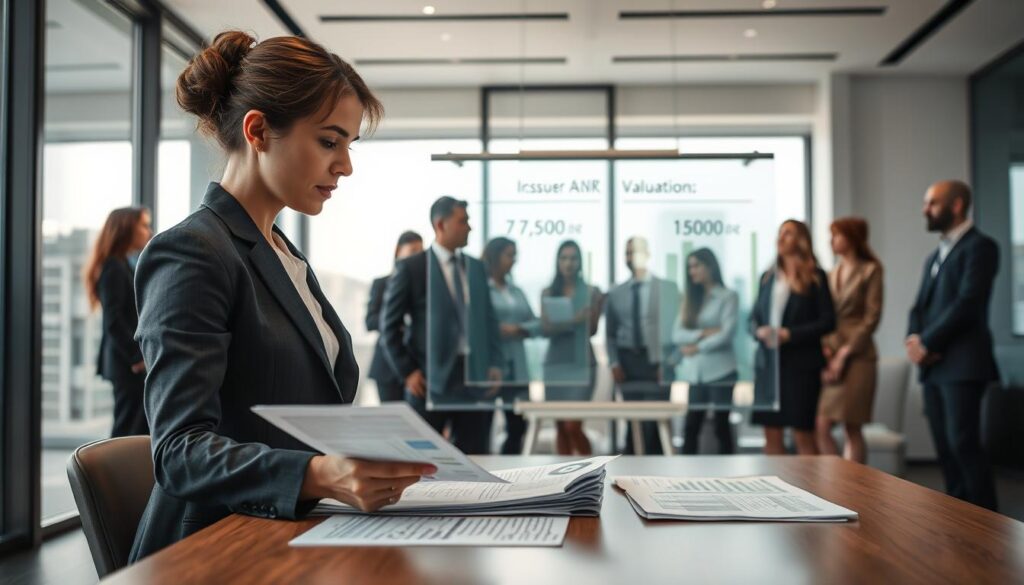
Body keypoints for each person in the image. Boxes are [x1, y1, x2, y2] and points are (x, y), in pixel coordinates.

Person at [129, 32, 436, 563]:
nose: (345, 165)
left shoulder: (283, 254)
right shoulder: (193, 251)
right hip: (211, 549)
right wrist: (321, 473)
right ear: (258, 129)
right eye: (329, 141)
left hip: (289, 536)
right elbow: (179, 453)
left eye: (348, 146)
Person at [381, 196, 503, 455]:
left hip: (472, 379)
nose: (469, 227)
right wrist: (408, 372)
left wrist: (494, 363)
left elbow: (489, 321)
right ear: (440, 225)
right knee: (422, 461)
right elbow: (388, 325)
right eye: (463, 221)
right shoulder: (413, 267)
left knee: (477, 456)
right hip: (428, 380)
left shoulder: (476, 268)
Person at [907, 180, 999, 511]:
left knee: (964, 444)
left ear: (956, 205)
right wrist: (915, 341)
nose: (925, 210)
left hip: (963, 364)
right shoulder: (935, 255)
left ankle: (988, 526)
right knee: (945, 448)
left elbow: (968, 303)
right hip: (933, 367)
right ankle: (958, 523)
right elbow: (919, 307)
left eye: (931, 203)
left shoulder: (981, 247)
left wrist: (928, 341)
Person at [750, 220, 835, 455]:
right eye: (779, 233)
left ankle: (812, 490)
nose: (781, 237)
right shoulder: (767, 278)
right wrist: (759, 332)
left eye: (787, 233)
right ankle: (776, 490)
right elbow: (754, 318)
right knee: (771, 433)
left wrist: (790, 334)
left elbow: (828, 322)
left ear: (801, 240)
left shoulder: (816, 276)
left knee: (802, 434)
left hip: (801, 365)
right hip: (769, 366)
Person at [815, 217, 883, 463]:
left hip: (859, 357)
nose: (832, 241)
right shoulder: (831, 274)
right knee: (821, 424)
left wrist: (844, 354)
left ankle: (852, 488)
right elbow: (824, 317)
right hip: (832, 354)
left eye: (837, 235)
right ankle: (837, 482)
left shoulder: (871, 270)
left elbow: (871, 318)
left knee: (852, 427)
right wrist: (828, 355)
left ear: (852, 237)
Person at [83, 206, 153, 438]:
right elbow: (113, 321)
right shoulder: (114, 267)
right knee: (127, 427)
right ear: (126, 229)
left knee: (132, 425)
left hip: (127, 362)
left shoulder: (121, 264)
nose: (148, 231)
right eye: (143, 225)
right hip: (127, 363)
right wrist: (136, 357)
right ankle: (116, 474)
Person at [606, 236, 679, 454]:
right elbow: (610, 334)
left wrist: (666, 363)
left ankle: (658, 474)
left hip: (657, 361)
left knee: (657, 422)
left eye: (635, 252)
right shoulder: (616, 292)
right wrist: (614, 362)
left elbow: (675, 331)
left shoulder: (667, 288)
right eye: (627, 253)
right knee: (633, 422)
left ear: (647, 254)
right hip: (628, 363)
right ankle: (630, 474)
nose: (630, 257)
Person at [542, 240, 605, 456]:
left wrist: (594, 309)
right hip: (555, 364)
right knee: (560, 425)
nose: (568, 263)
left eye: (573, 258)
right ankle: (564, 478)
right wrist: (576, 319)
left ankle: (591, 471)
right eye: (564, 258)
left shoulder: (592, 291)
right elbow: (546, 328)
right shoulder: (548, 291)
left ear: (580, 262)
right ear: (557, 262)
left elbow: (593, 330)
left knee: (573, 425)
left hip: (582, 364)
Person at [672, 248, 738, 455]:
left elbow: (726, 335)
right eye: (689, 267)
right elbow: (677, 335)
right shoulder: (690, 299)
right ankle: (683, 479)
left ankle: (729, 479)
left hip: (722, 372)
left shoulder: (728, 296)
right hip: (696, 374)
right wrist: (703, 333)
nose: (692, 271)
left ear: (710, 266)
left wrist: (697, 347)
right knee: (691, 426)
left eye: (696, 266)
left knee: (721, 427)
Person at [482, 237, 540, 454]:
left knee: (518, 426)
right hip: (491, 368)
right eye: (509, 255)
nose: (514, 260)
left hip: (517, 368)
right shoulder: (483, 289)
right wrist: (494, 329)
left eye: (515, 255)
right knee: (482, 425)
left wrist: (518, 329)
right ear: (495, 256)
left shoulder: (516, 291)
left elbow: (535, 323)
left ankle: (509, 473)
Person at [366, 231, 423, 403]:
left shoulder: (421, 287)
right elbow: (370, 321)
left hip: (415, 367)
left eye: (421, 252)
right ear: (399, 251)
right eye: (413, 251)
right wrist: (397, 319)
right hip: (386, 368)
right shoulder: (382, 283)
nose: (417, 257)